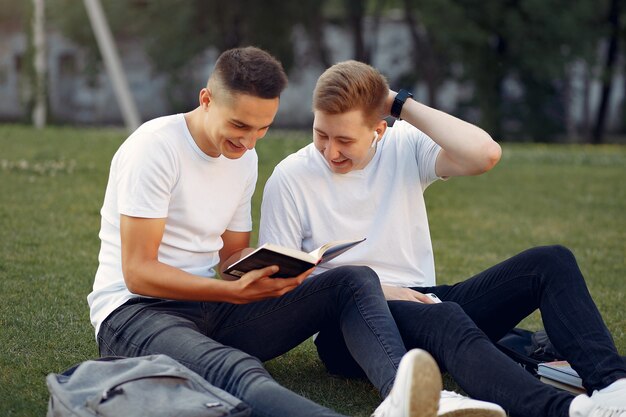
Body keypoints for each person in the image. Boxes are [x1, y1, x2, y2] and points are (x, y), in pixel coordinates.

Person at [87, 46, 469, 417]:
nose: (249, 141)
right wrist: (230, 291)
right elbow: (139, 274)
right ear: (206, 100)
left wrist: (282, 268)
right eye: (239, 125)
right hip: (135, 313)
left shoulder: (244, 158)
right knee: (236, 371)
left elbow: (230, 259)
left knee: (352, 278)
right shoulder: (155, 149)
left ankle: (401, 394)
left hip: (211, 310)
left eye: (262, 128)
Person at [259, 60, 626, 417]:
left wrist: (398, 103)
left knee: (551, 261)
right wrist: (382, 290)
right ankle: (569, 411)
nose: (330, 151)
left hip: (427, 299)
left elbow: (484, 154)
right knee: (445, 316)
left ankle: (613, 387)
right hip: (350, 328)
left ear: (378, 130)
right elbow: (286, 287)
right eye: (320, 134)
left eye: (344, 139)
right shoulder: (290, 177)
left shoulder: (402, 145)